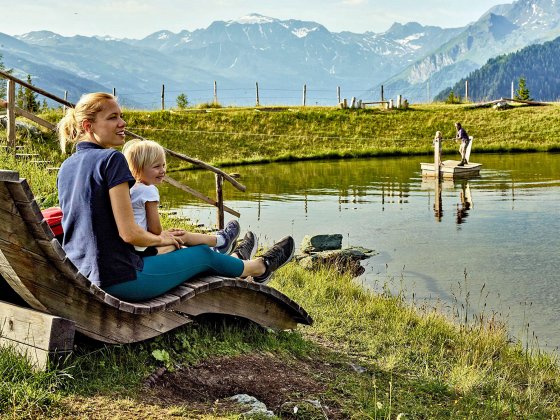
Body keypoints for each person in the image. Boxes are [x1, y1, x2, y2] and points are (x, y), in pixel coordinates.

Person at [56, 92, 295, 302]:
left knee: (178, 248)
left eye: (120, 115)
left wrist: (162, 240)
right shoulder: (111, 160)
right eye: (113, 118)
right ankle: (258, 267)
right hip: (119, 280)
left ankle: (232, 256)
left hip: (80, 273)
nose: (122, 123)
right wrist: (163, 239)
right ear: (88, 126)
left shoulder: (67, 166)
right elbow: (129, 233)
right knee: (200, 255)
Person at [122, 138, 240, 257]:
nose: (162, 171)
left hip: (132, 246)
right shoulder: (148, 190)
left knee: (175, 235)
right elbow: (155, 230)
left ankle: (219, 244)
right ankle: (221, 242)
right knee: (179, 236)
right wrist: (163, 234)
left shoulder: (130, 188)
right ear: (138, 169)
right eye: (156, 166)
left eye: (163, 165)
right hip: (142, 249)